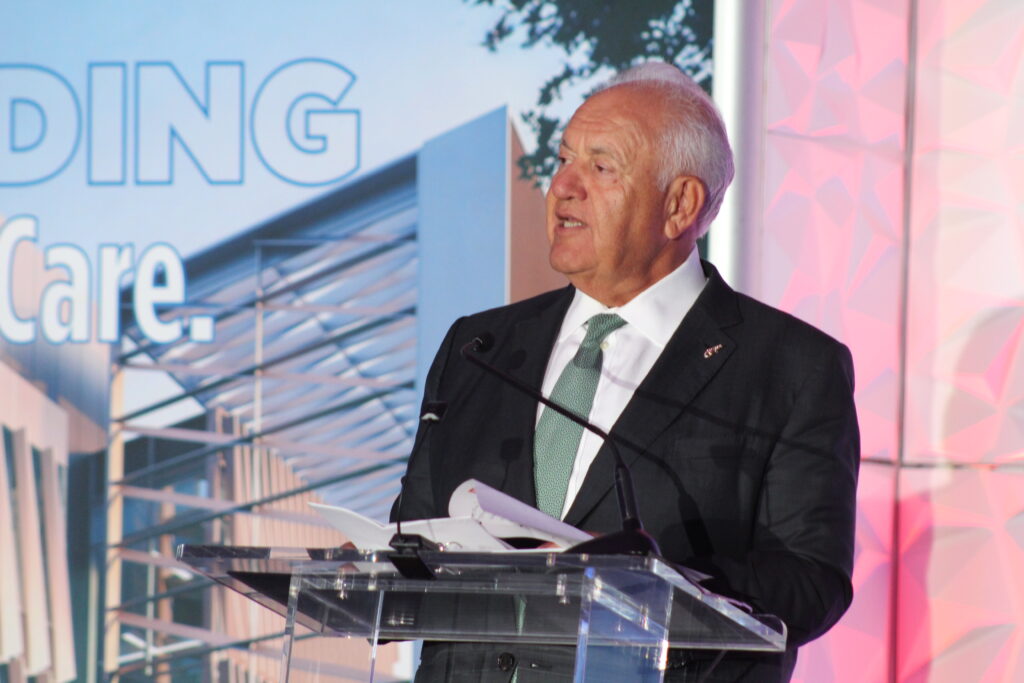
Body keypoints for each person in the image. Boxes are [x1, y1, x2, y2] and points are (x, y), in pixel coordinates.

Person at [393, 61, 859, 682]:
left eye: (601, 167)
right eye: (563, 159)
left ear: (680, 205)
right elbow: (413, 535)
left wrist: (653, 584)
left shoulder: (790, 365)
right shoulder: (480, 346)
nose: (563, 186)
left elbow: (811, 581)